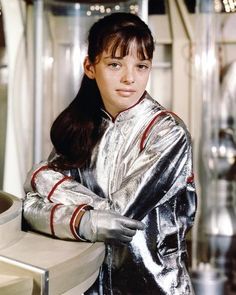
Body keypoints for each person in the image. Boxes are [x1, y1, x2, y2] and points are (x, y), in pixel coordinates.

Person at [23, 12, 197, 295]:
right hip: (89, 285)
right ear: (90, 67)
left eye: (141, 66)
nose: (130, 78)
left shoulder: (167, 134)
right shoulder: (82, 127)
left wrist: (45, 180)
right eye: (115, 64)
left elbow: (119, 219)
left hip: (155, 288)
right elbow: (29, 208)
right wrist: (84, 221)